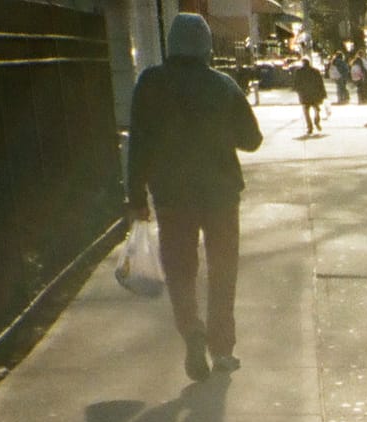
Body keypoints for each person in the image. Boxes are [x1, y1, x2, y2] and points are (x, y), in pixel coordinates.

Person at [126, 12, 263, 381]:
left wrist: (135, 195)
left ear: (172, 44)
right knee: (223, 270)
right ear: (204, 45)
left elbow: (138, 143)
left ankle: (192, 331)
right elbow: (252, 139)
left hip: (172, 195)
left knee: (181, 271)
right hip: (220, 193)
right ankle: (222, 350)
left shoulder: (150, 84)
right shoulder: (223, 85)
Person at [295, 56, 326, 134]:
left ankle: (310, 127)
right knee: (317, 109)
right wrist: (323, 93)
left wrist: (298, 91)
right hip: (315, 94)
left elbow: (296, 83)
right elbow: (320, 83)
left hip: (305, 94)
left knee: (306, 111)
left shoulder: (299, 72)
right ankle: (317, 121)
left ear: (302, 63)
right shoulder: (315, 71)